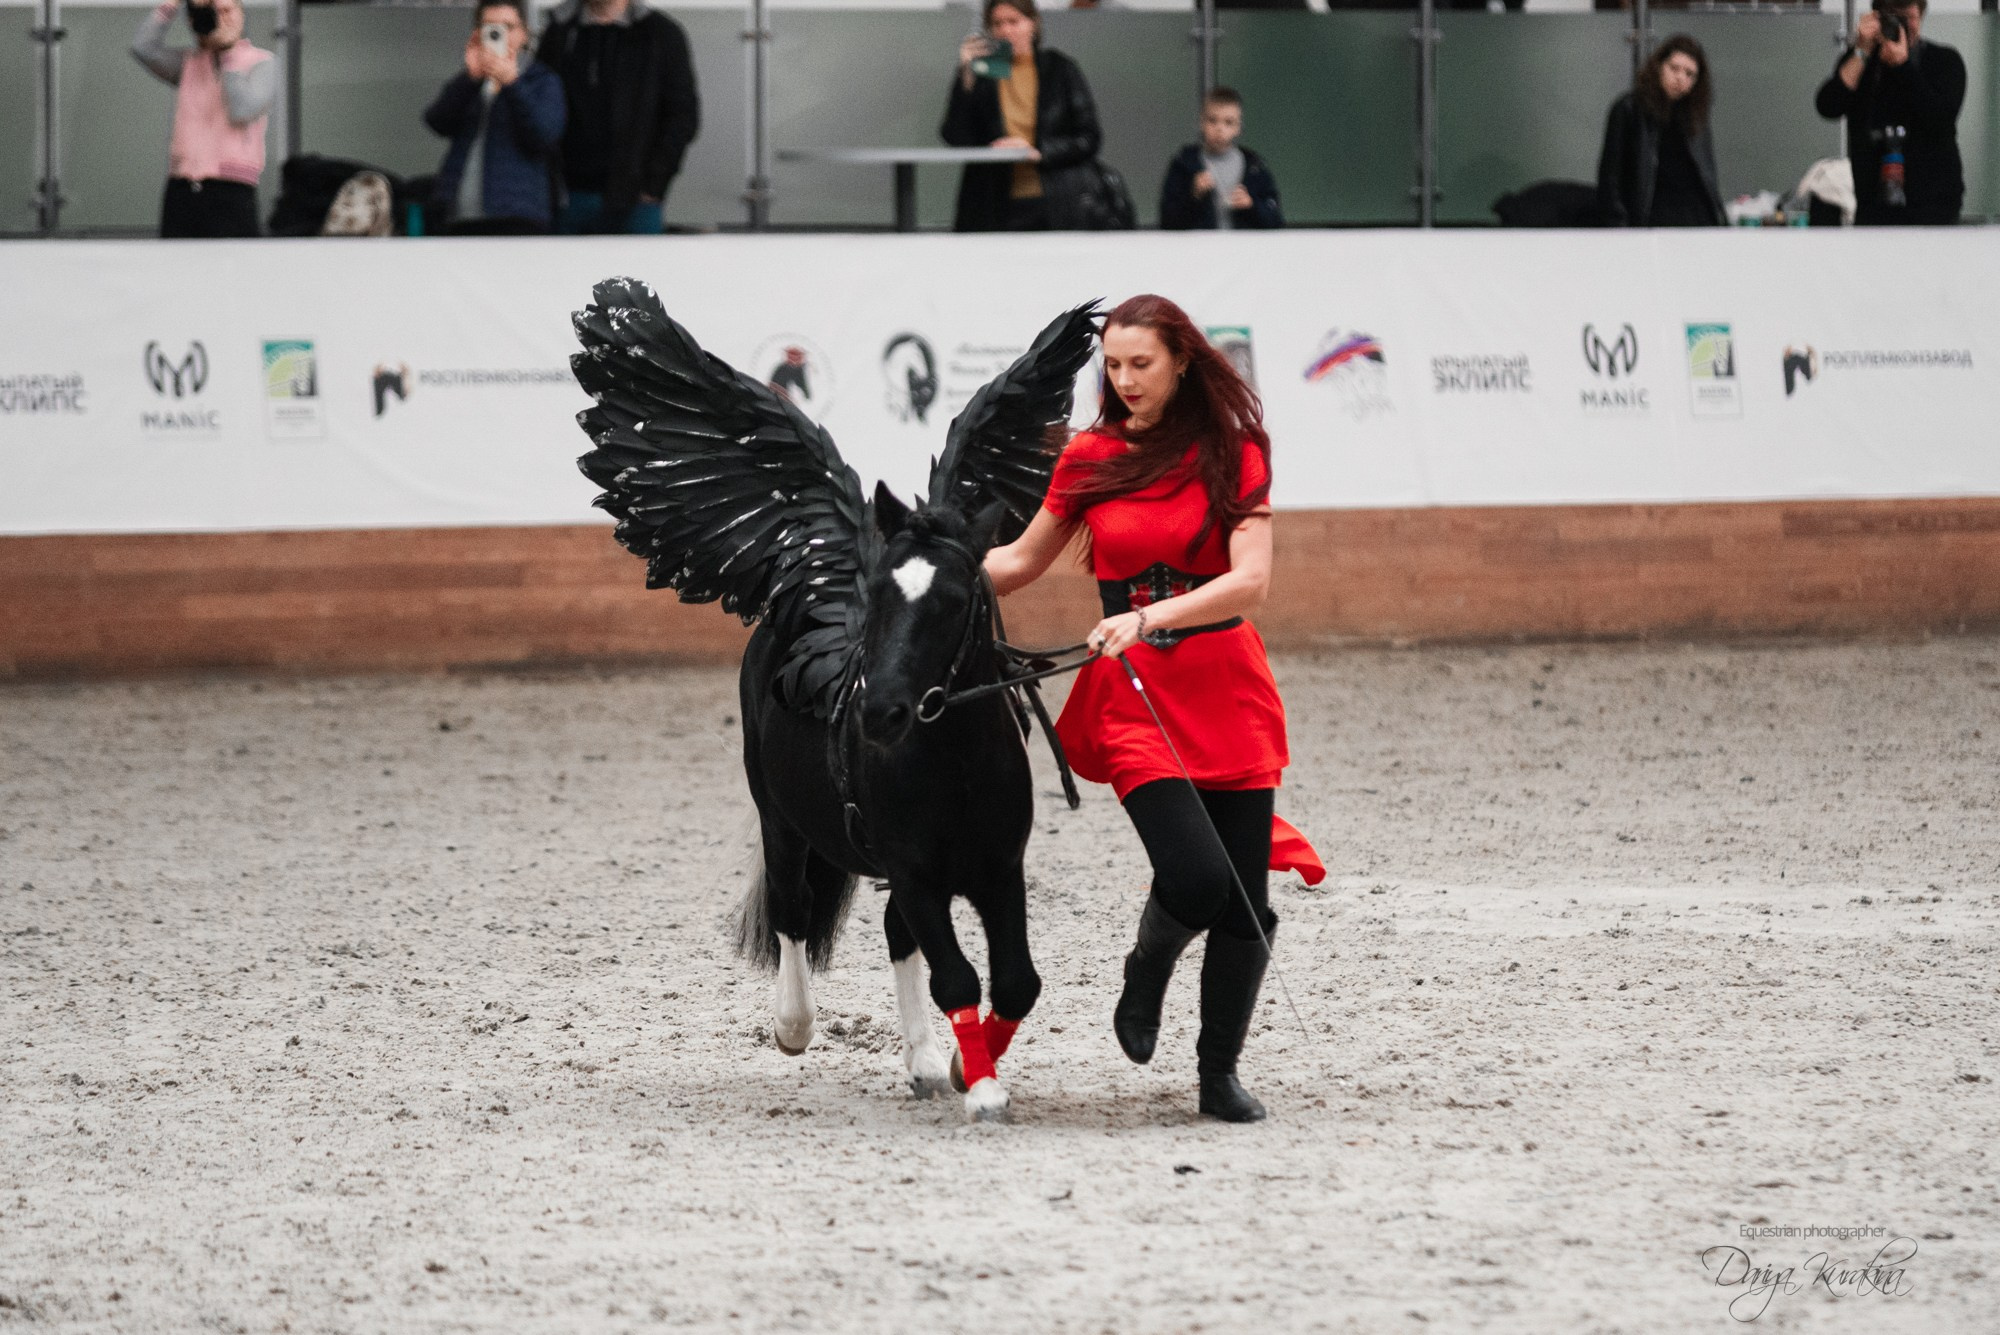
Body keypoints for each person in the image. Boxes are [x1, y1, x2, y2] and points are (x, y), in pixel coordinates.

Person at [983, 294, 1321, 1123]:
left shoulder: (1233, 451)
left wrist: (1148, 616)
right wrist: (913, 572)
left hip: (1226, 686)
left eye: (1142, 363)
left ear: (1180, 361)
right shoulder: (1089, 456)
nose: (1125, 378)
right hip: (1131, 692)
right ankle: (1149, 961)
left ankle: (1218, 1073)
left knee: (1245, 897)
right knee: (1197, 877)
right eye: (1114, 364)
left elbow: (1251, 580)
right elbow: (1020, 561)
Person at [941, 0, 1110, 231]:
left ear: (1033, 24)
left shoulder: (1058, 69)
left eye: (1014, 22)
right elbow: (955, 137)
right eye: (997, 24)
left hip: (1055, 197)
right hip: (993, 202)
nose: (1005, 30)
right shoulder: (987, 71)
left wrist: (1038, 151)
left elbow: (1089, 138)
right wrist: (966, 78)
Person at [537, 0, 700, 235]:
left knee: (637, 271)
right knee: (565, 272)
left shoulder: (660, 33)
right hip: (567, 197)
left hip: (636, 201)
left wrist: (654, 185)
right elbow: (540, 105)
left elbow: (682, 116)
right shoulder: (558, 30)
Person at [130, 0, 275, 238]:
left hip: (232, 189)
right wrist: (172, 4)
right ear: (193, 21)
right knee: (175, 269)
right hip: (182, 189)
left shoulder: (261, 62)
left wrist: (228, 53)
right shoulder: (189, 63)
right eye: (212, 13)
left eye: (227, 11)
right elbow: (142, 47)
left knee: (235, 270)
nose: (220, 19)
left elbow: (242, 110)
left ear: (242, 14)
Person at [1815, 0, 1965, 225]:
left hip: (1934, 203)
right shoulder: (1862, 64)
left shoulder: (1943, 60)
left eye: (1908, 18)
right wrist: (1862, 50)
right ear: (1877, 18)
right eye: (1892, 17)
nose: (1901, 26)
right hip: (1873, 202)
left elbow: (1940, 120)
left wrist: (1902, 66)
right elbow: (1828, 105)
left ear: (1921, 16)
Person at [423, 0, 566, 235]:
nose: (500, 35)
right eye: (490, 27)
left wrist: (512, 84)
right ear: (477, 32)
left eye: (508, 27)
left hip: (518, 213)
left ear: (524, 33)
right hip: (458, 214)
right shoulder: (470, 80)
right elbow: (436, 122)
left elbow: (544, 135)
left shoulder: (542, 80)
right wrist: (470, 80)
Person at [1595, 35, 1725, 228]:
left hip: (1697, 221)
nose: (1680, 78)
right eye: (1674, 68)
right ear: (1659, 67)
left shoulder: (1695, 117)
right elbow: (1610, 178)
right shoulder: (1629, 109)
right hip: (1650, 220)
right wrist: (1619, 228)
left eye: (1689, 74)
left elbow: (1707, 179)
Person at [1159, 86, 1283, 230]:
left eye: (1228, 122)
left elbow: (1276, 221)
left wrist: (1252, 205)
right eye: (1212, 120)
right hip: (1199, 250)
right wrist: (1193, 196)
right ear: (1202, 123)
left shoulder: (1255, 167)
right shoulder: (1184, 164)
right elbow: (1168, 222)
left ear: (1238, 128)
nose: (1219, 129)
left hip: (1244, 251)